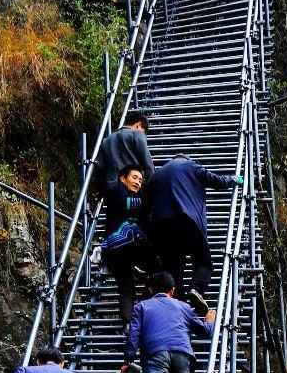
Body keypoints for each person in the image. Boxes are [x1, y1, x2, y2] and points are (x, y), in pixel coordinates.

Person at [143, 156, 239, 307]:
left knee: (174, 268)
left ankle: (178, 304)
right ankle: (197, 289)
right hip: (186, 221)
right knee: (203, 261)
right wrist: (235, 180)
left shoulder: (156, 176)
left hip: (160, 228)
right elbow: (216, 180)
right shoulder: (191, 166)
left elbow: (144, 208)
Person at [101, 165, 152, 327]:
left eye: (140, 180)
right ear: (123, 178)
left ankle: (128, 322)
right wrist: (151, 199)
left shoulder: (125, 193)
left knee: (126, 286)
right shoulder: (117, 190)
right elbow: (129, 204)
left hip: (118, 249)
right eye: (134, 178)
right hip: (122, 245)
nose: (138, 182)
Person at [95, 110, 152, 194]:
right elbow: (148, 165)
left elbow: (100, 167)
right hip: (131, 187)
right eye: (143, 131)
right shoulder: (137, 134)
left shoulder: (107, 140)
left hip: (112, 189)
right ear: (138, 125)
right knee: (133, 206)